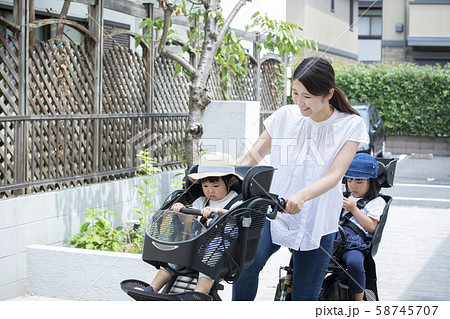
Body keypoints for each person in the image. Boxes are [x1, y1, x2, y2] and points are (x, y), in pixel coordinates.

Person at [232, 57, 369, 301]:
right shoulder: (286, 115)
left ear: (328, 94)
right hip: (273, 211)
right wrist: (218, 178)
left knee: (304, 297)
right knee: (244, 266)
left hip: (317, 217)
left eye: (307, 96)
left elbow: (335, 174)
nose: (299, 102)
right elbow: (250, 157)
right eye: (295, 93)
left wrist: (302, 196)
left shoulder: (350, 124)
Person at [143, 152, 243, 294]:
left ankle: (198, 294)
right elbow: (191, 219)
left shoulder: (236, 201)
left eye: (215, 185)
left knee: (207, 264)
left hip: (220, 246)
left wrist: (218, 211)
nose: (210, 190)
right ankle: (152, 288)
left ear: (231, 182)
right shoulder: (202, 201)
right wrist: (181, 211)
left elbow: (238, 215)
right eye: (205, 186)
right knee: (173, 259)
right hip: (197, 243)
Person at [338, 153, 386, 301]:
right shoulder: (345, 196)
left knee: (355, 263)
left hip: (355, 245)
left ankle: (358, 299)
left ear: (371, 182)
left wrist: (354, 209)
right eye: (350, 180)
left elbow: (372, 227)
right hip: (337, 239)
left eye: (359, 181)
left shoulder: (376, 202)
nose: (353, 185)